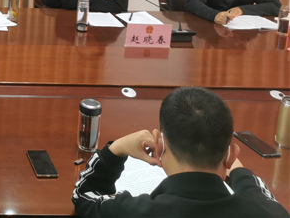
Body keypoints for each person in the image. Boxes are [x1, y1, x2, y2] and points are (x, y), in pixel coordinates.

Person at [72, 86, 289, 218]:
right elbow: (265, 200)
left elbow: (84, 195)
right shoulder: (269, 213)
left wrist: (116, 149)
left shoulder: (134, 211)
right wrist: (240, 173)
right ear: (231, 155)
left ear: (161, 147)